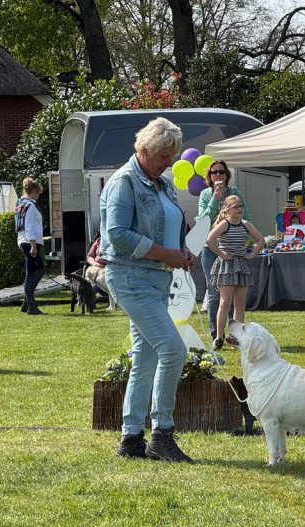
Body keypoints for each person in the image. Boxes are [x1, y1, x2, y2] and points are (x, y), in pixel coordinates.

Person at [100, 117, 197, 462]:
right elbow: (117, 234)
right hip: (131, 277)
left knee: (146, 356)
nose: (167, 163)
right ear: (143, 150)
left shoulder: (163, 183)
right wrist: (164, 253)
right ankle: (162, 433)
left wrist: (181, 250)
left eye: (170, 158)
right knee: (173, 349)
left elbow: (171, 223)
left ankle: (130, 440)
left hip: (156, 278)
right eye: (162, 157)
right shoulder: (124, 182)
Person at [197, 159, 249, 342]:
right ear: (210, 177)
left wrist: (245, 244)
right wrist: (214, 201)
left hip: (233, 251)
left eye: (221, 172)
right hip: (211, 250)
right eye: (214, 172)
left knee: (236, 296)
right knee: (214, 293)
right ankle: (216, 336)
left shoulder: (234, 193)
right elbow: (202, 221)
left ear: (227, 175)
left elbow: (247, 217)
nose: (217, 175)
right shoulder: (205, 194)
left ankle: (235, 336)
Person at [205, 195, 265, 350]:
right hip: (226, 265)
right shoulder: (224, 224)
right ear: (228, 209)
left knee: (240, 303)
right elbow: (210, 240)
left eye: (241, 206)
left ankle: (236, 337)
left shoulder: (246, 224)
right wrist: (222, 255)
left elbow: (261, 240)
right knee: (224, 302)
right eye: (236, 207)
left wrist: (251, 254)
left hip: (241, 264)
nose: (240, 209)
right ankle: (219, 337)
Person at [15, 177, 45, 315]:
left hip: (25, 241)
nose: (38, 195)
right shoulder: (30, 206)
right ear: (32, 191)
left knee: (35, 271)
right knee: (34, 272)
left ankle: (26, 302)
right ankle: (31, 306)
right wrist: (33, 245)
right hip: (29, 242)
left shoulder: (22, 203)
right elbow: (29, 226)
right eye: (37, 193)